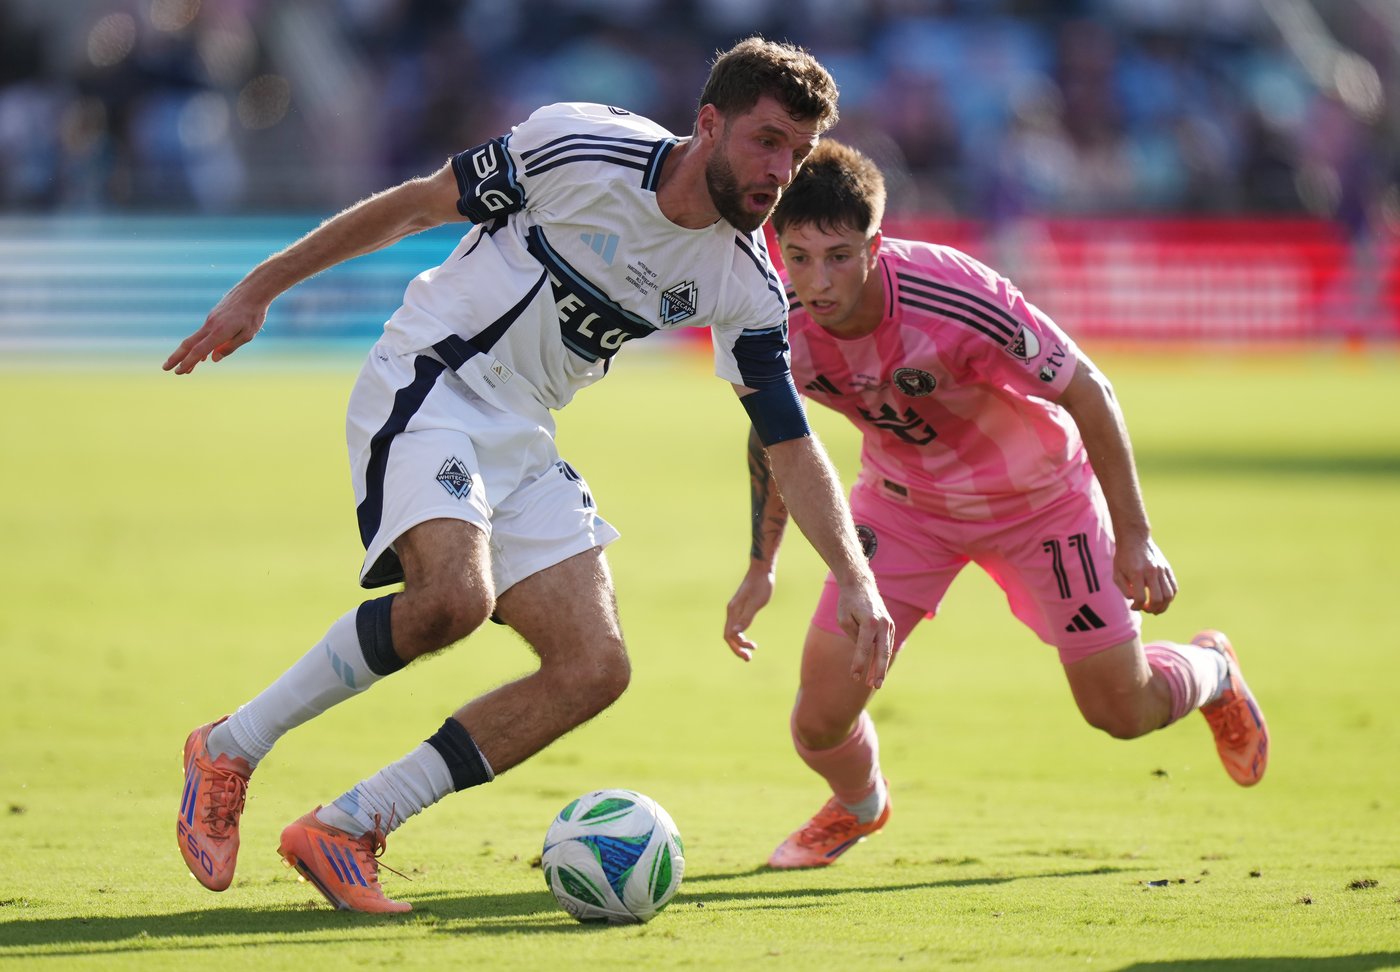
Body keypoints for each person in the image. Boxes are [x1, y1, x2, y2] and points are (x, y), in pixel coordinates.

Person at [166, 39, 895, 913]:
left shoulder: (745, 283)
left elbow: (789, 440)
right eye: (767, 141)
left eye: (798, 153)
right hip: (432, 376)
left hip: (522, 430)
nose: (780, 172)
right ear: (709, 124)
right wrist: (263, 285)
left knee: (594, 667)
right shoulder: (584, 147)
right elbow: (418, 205)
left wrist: (855, 579)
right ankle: (230, 746)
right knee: (452, 600)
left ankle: (350, 824)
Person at [723, 140, 1268, 870]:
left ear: (875, 247)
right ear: (778, 246)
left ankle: (1212, 670)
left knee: (1120, 710)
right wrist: (762, 565)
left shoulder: (956, 295)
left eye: (839, 257)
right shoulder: (768, 311)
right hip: (903, 508)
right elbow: (775, 436)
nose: (818, 280)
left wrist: (1136, 536)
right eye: (799, 256)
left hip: (1040, 502)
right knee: (818, 720)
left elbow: (1089, 390)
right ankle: (860, 803)